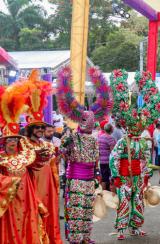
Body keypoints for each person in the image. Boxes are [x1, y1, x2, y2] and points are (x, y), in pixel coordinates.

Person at [109, 69, 160, 240]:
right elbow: (113, 157)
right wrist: (116, 175)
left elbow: (145, 159)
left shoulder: (141, 141)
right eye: (134, 126)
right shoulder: (123, 141)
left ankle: (136, 227)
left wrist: (147, 175)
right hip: (125, 177)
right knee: (124, 202)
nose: (136, 128)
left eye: (139, 126)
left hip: (138, 177)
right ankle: (121, 229)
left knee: (138, 201)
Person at [0, 83, 49, 244]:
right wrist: (10, 182)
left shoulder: (25, 154)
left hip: (27, 200)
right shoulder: (1, 158)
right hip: (10, 201)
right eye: (10, 139)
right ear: (4, 142)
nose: (13, 142)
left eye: (15, 139)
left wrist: (41, 157)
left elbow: (36, 166)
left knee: (29, 228)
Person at [20, 70, 62, 244]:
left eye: (41, 127)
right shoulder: (22, 144)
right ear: (30, 129)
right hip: (31, 190)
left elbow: (54, 168)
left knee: (49, 217)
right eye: (36, 127)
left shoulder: (49, 145)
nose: (39, 130)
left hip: (48, 190)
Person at [59, 111, 100, 244]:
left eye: (91, 121)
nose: (88, 123)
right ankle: (75, 239)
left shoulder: (94, 139)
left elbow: (96, 159)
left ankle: (85, 237)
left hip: (89, 180)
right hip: (76, 179)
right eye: (85, 120)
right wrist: (66, 143)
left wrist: (97, 174)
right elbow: (61, 152)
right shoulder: (71, 137)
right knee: (77, 209)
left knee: (88, 209)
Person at [98, 124, 116, 191]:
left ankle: (103, 194)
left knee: (104, 178)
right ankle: (111, 194)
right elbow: (113, 151)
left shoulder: (100, 137)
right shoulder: (110, 138)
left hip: (102, 161)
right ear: (111, 130)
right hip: (108, 161)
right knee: (112, 178)